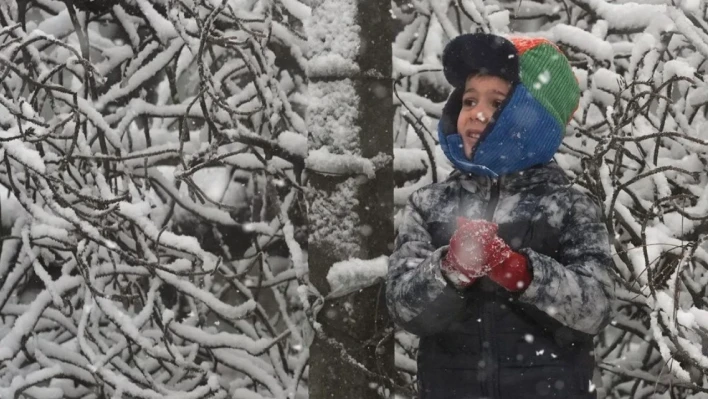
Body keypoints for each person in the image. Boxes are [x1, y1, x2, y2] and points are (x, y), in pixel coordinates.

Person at [386, 33, 613, 399]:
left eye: (497, 102)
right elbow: (403, 308)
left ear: (536, 117)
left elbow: (596, 309)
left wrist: (523, 274)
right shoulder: (430, 205)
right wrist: (449, 270)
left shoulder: (568, 207)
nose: (475, 112)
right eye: (469, 99)